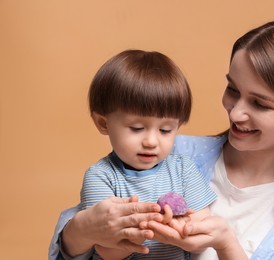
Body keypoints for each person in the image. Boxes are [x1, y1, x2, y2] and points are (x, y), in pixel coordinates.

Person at [49, 19, 274, 260]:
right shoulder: (172, 154)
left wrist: (226, 243)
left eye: (259, 103)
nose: (236, 112)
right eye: (232, 90)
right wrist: (79, 232)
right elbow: (83, 235)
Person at [53, 49, 217, 260]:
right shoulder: (100, 176)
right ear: (104, 123)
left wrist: (181, 227)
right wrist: (146, 230)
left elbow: (202, 239)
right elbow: (107, 251)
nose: (151, 141)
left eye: (165, 130)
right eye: (137, 128)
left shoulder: (184, 169)